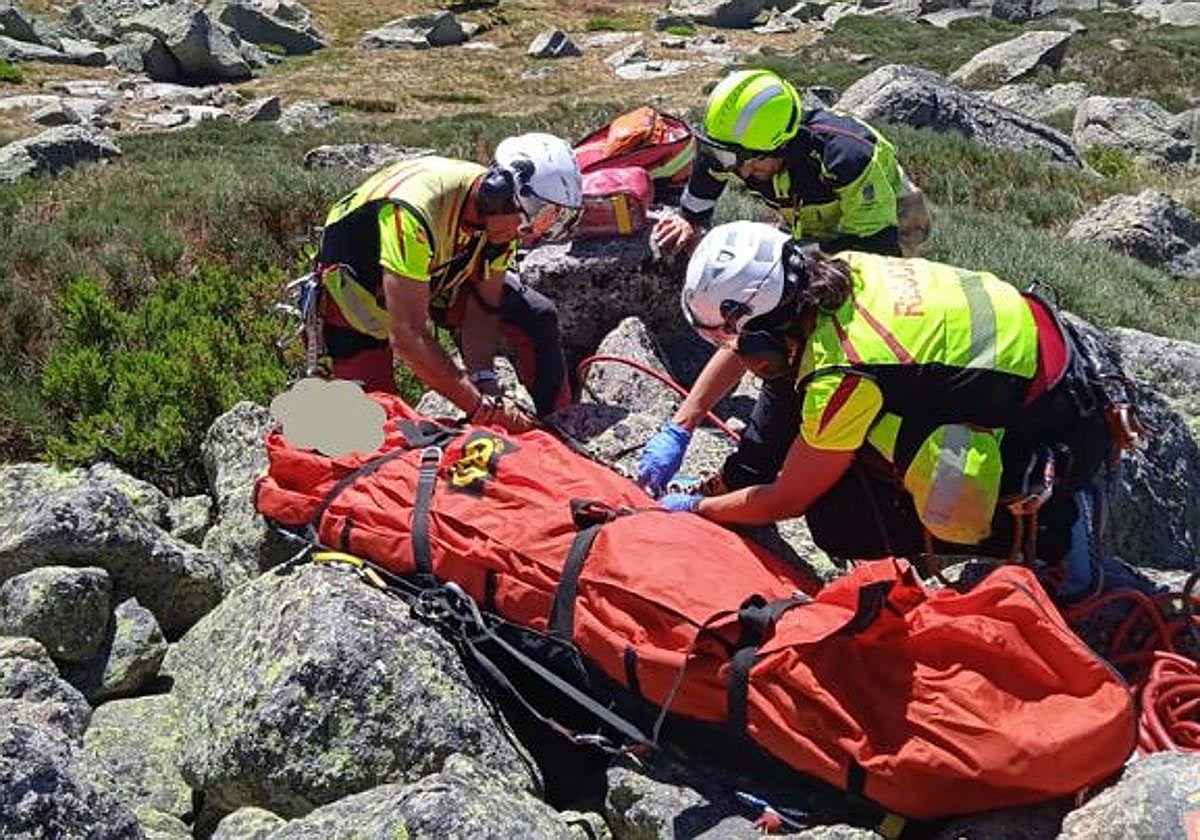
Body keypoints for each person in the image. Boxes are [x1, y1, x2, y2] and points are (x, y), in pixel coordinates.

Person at [642, 221, 1122, 585]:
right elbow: (752, 344)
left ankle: (1052, 526)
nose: (736, 353)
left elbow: (789, 498)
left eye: (737, 340)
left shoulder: (843, 373)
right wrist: (681, 425)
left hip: (1049, 425)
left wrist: (700, 509)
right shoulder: (835, 272)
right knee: (795, 382)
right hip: (1046, 363)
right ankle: (747, 473)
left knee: (840, 520)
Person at [313, 133, 583, 434]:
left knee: (536, 315)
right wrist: (480, 408)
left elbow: (483, 308)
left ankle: (561, 428)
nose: (530, 234)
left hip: (439, 270)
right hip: (363, 288)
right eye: (539, 218)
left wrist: (485, 383)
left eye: (547, 222)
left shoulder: (502, 218)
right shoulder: (413, 212)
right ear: (500, 191)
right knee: (378, 422)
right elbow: (408, 335)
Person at [652, 68, 925, 260]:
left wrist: (804, 254)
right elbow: (710, 171)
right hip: (814, 216)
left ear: (783, 146)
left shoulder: (846, 158)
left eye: (748, 162)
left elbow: (876, 245)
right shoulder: (736, 148)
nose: (741, 172)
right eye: (726, 157)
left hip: (889, 222)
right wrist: (689, 218)